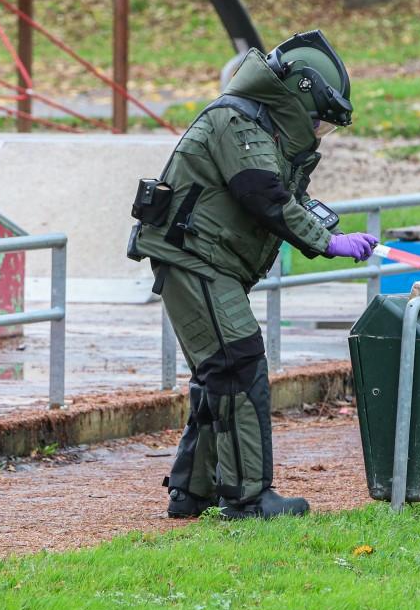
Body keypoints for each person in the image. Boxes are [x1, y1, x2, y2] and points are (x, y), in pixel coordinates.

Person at [127, 30, 378, 519]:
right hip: (194, 259)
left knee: (219, 371)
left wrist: (323, 223)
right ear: (297, 97)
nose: (319, 133)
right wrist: (326, 242)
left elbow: (286, 192)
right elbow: (263, 194)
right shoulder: (235, 122)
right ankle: (247, 498)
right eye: (319, 123)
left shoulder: (263, 129)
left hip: (209, 262)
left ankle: (191, 491)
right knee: (238, 366)